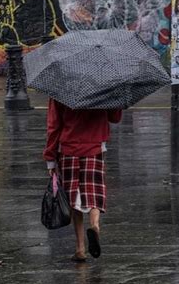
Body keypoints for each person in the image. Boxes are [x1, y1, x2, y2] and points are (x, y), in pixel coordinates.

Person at [43, 98, 122, 262]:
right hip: (95, 147)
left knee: (73, 198)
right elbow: (115, 117)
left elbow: (54, 125)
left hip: (68, 148)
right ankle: (94, 226)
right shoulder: (103, 86)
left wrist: (50, 157)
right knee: (93, 193)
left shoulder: (59, 90)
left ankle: (80, 248)